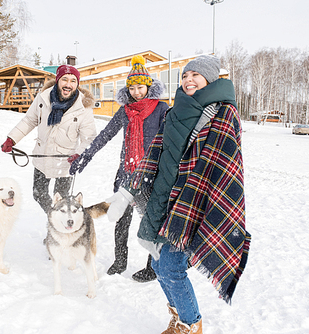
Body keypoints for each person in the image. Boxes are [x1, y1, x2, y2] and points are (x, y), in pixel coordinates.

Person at [106, 55, 251, 334]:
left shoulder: (223, 112)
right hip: (166, 200)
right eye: (185, 76)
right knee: (160, 265)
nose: (188, 80)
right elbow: (156, 152)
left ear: (210, 78)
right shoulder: (176, 110)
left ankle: (190, 324)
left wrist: (187, 190)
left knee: (171, 266)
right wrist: (130, 188)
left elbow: (221, 163)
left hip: (196, 201)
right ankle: (178, 318)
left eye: (195, 75)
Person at [69, 55, 168, 281]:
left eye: (140, 87)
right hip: (126, 173)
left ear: (148, 86)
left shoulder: (162, 109)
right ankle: (120, 260)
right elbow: (105, 135)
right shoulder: (125, 111)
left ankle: (152, 266)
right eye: (132, 88)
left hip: (150, 175)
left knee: (151, 222)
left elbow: (171, 141)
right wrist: (86, 156)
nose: (136, 92)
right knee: (121, 218)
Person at [1, 65, 97, 213]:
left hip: (65, 163)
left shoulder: (83, 106)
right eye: (64, 79)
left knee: (62, 201)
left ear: (77, 84)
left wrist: (79, 154)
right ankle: (54, 218)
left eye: (73, 81)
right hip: (42, 156)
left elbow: (89, 137)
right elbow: (29, 120)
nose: (68, 84)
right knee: (38, 194)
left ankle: (58, 229)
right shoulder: (43, 98)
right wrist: (12, 139)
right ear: (58, 80)